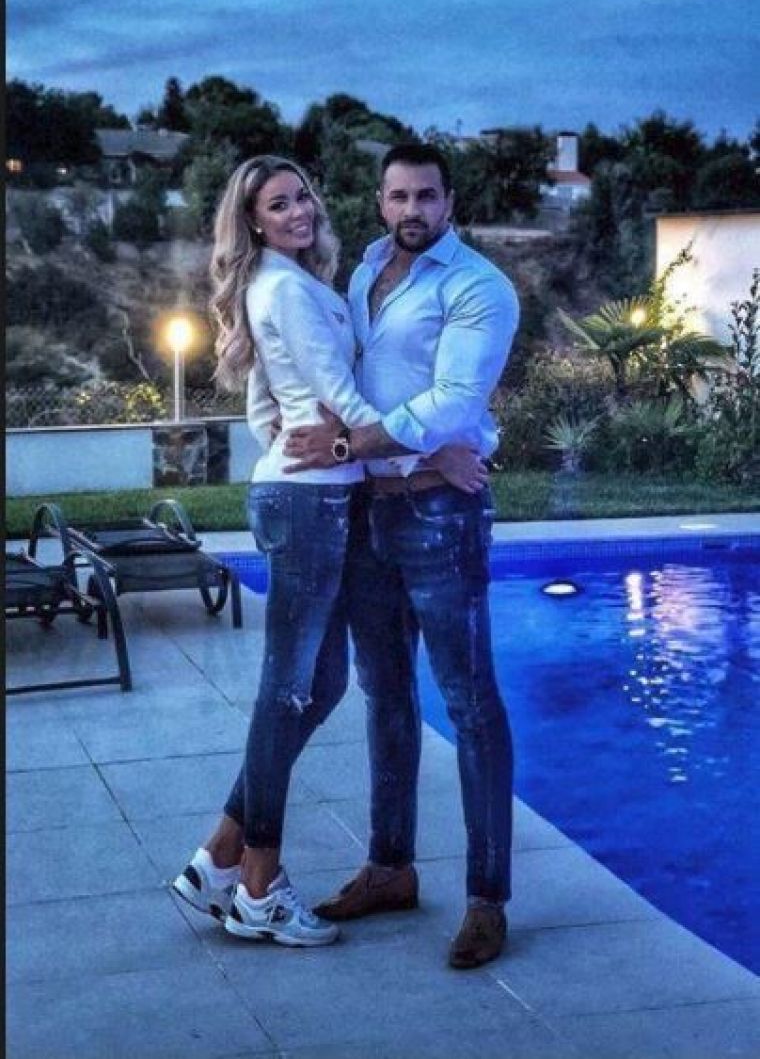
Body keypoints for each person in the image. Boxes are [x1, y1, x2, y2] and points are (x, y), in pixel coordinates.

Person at [171, 154, 483, 948]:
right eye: (278, 204)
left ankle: (219, 853)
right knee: (287, 689)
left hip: (314, 494)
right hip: (308, 502)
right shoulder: (284, 287)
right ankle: (258, 888)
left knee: (325, 682)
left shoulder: (294, 282)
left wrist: (282, 440)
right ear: (253, 222)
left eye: (302, 195)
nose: (298, 211)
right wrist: (431, 452)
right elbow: (342, 398)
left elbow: (261, 399)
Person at [282, 142, 520, 969]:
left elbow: (452, 401)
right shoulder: (363, 274)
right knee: (385, 694)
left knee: (470, 702)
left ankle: (487, 899)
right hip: (369, 512)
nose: (411, 209)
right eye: (398, 195)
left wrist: (367, 444)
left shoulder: (478, 287)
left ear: (449, 201)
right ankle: (391, 867)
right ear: (380, 200)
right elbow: (359, 382)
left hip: (441, 515)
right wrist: (406, 448)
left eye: (426, 195)